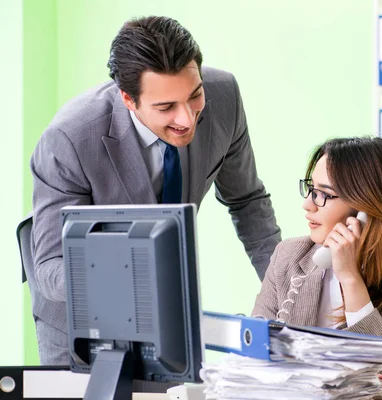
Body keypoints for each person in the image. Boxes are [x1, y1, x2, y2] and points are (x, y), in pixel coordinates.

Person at [29, 15, 281, 365]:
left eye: (194, 96)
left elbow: (247, 201)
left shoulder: (224, 97)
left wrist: (286, 290)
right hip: (80, 321)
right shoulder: (69, 138)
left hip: (166, 313)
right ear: (128, 99)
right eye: (166, 108)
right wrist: (136, 277)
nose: (187, 119)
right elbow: (49, 269)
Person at [252, 137, 382, 397]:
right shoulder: (289, 256)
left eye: (323, 194)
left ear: (366, 208)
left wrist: (351, 279)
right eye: (310, 189)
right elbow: (253, 352)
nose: (307, 204)